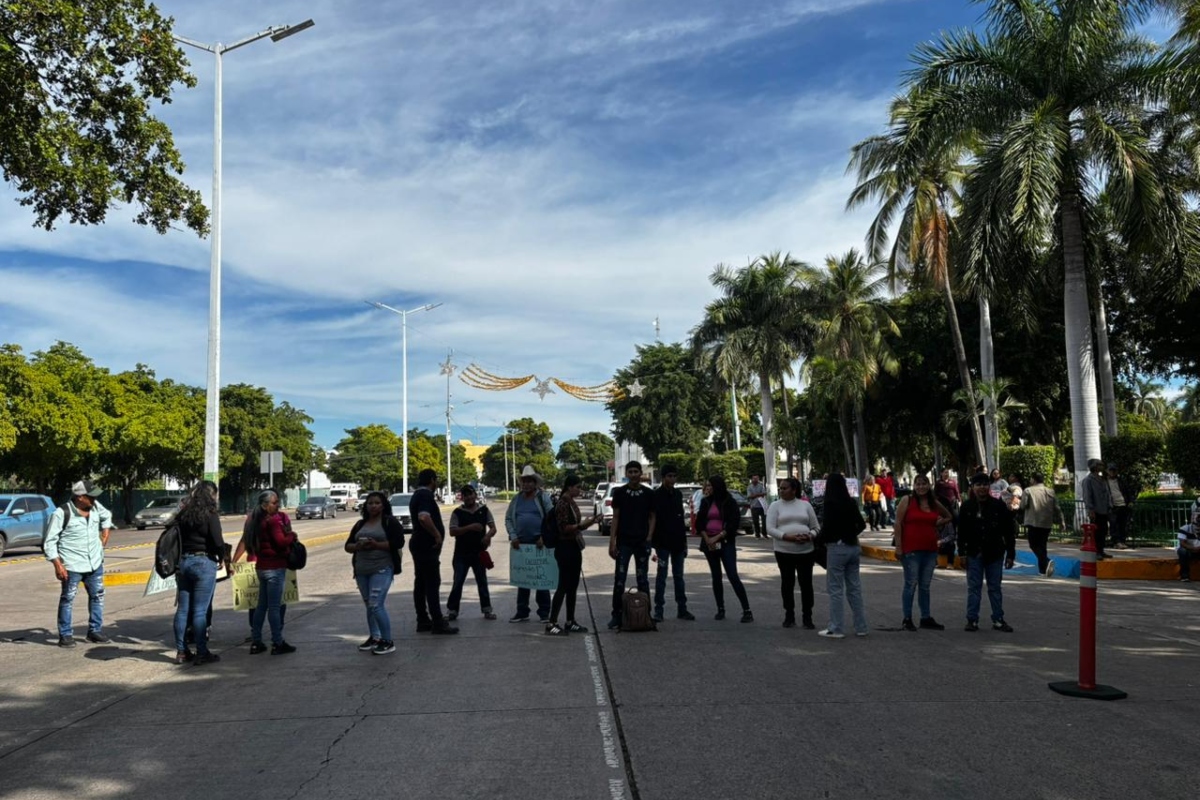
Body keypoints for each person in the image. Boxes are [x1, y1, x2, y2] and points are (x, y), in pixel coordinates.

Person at [44, 480, 114, 648]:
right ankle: (66, 634)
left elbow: (107, 516)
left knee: (97, 596)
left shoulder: (95, 507)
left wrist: (105, 531)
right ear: (80, 497)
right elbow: (49, 541)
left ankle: (94, 631)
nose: (94, 499)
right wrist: (57, 564)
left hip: (95, 563)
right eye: (91, 497)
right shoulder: (62, 513)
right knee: (68, 598)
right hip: (72, 565)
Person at [172, 481, 229, 665]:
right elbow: (218, 541)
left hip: (183, 562)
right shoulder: (210, 515)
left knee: (182, 610)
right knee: (199, 611)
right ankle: (202, 652)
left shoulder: (183, 514)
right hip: (203, 562)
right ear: (212, 495)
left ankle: (181, 652)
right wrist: (221, 558)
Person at [344, 491, 406, 654]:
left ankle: (387, 640)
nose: (373, 506)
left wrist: (376, 545)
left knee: (376, 604)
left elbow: (398, 542)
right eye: (370, 503)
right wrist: (358, 546)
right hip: (362, 570)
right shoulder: (360, 524)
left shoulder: (389, 522)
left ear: (383, 505)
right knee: (369, 605)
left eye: (377, 503)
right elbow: (348, 546)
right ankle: (375, 637)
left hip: (382, 568)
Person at [958, 473, 1017, 632]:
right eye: (978, 484)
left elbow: (1008, 532)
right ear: (973, 487)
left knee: (995, 588)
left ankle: (998, 619)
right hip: (974, 553)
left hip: (995, 553)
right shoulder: (967, 506)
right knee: (974, 588)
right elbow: (961, 532)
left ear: (989, 486)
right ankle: (972, 620)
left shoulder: (998, 506)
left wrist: (1011, 554)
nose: (982, 487)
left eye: (985, 484)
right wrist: (961, 553)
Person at [893, 475, 952, 632]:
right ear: (914, 486)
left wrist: (937, 523)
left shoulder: (933, 503)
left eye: (924, 484)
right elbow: (898, 523)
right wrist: (898, 547)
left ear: (928, 485)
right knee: (911, 584)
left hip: (930, 549)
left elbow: (948, 515)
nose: (921, 487)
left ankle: (925, 617)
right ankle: (907, 618)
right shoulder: (907, 500)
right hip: (911, 550)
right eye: (918, 484)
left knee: (925, 586)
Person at [244, 490, 297, 654]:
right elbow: (281, 542)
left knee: (261, 606)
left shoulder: (254, 521)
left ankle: (256, 641)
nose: (277, 505)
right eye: (274, 503)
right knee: (274, 607)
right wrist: (292, 536)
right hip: (275, 567)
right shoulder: (273, 521)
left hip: (261, 567)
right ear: (265, 505)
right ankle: (277, 642)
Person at [816, 473, 869, 638]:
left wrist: (818, 540)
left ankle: (836, 628)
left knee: (835, 589)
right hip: (853, 546)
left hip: (836, 548)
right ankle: (861, 627)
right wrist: (850, 534)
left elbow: (826, 528)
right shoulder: (851, 502)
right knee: (854, 588)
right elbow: (861, 524)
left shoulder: (830, 504)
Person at [696, 474, 752, 622]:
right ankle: (720, 609)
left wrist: (718, 537)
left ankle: (747, 610)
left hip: (725, 542)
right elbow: (699, 522)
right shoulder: (705, 502)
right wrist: (708, 539)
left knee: (732, 575)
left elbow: (733, 523)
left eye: (710, 486)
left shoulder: (729, 502)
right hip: (710, 543)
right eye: (706, 486)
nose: (707, 488)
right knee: (716, 576)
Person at [607, 461, 656, 629]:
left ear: (641, 473)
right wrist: (612, 541)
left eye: (636, 471)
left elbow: (652, 517)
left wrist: (649, 537)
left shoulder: (648, 494)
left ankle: (646, 614)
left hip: (642, 542)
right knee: (619, 580)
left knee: (643, 580)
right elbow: (616, 517)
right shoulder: (620, 493)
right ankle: (617, 614)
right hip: (624, 543)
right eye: (631, 472)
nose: (634, 474)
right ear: (627, 473)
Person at [766, 477, 820, 629]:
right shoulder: (775, 506)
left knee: (806, 584)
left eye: (785, 488)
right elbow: (770, 529)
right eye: (780, 488)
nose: (781, 491)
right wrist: (787, 537)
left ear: (794, 490)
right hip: (784, 551)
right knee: (787, 583)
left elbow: (816, 527)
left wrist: (810, 536)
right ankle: (789, 614)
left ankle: (807, 616)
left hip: (806, 551)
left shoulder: (805, 505)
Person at [546, 475, 596, 636]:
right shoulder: (562, 503)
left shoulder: (571, 502)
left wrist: (586, 524)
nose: (579, 490)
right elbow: (563, 528)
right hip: (565, 547)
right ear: (569, 487)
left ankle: (570, 620)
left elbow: (575, 527)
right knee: (563, 585)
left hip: (573, 546)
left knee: (572, 586)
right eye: (577, 487)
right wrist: (582, 525)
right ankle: (551, 623)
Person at [410, 469, 457, 634]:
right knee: (431, 583)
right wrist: (437, 534)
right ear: (432, 480)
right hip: (426, 545)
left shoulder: (417, 495)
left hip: (419, 544)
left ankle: (422, 619)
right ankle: (437, 622)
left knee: (421, 583)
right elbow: (424, 517)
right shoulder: (425, 495)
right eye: (435, 480)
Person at [505, 465, 554, 623]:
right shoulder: (516, 499)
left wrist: (544, 536)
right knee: (523, 580)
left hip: (539, 544)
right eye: (523, 482)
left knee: (541, 579)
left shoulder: (543, 497)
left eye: (529, 482)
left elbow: (551, 518)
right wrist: (513, 536)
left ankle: (544, 612)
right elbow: (508, 519)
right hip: (521, 545)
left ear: (535, 483)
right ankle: (522, 611)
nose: (525, 485)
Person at [447, 485, 497, 621]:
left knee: (482, 581)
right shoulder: (457, 513)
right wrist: (470, 527)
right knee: (458, 582)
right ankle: (452, 610)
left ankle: (487, 609)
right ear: (462, 498)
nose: (469, 497)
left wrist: (487, 536)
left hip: (479, 553)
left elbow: (493, 528)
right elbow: (452, 531)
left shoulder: (484, 510)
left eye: (471, 494)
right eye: (466, 495)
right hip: (461, 554)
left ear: (475, 495)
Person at [651, 466, 693, 622]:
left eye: (674, 476)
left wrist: (685, 543)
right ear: (663, 477)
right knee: (661, 576)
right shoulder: (656, 495)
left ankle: (682, 609)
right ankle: (658, 610)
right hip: (662, 543)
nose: (672, 479)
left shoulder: (677, 494)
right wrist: (652, 542)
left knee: (679, 577)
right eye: (669, 476)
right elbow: (653, 519)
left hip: (678, 542)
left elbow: (680, 519)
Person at [1020, 473, 1061, 576]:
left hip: (1033, 522)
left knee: (1033, 544)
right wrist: (1062, 521)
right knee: (1042, 545)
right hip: (1047, 522)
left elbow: (1023, 505)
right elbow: (1057, 508)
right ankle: (1042, 570)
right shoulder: (1050, 491)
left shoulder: (1028, 490)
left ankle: (1046, 561)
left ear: (1033, 480)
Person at [1080, 458, 1112, 559]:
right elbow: (1087, 496)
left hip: (1104, 509)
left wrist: (1109, 505)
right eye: (1099, 465)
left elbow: (1107, 494)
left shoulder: (1103, 479)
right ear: (1094, 467)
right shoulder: (1088, 480)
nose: (1102, 467)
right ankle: (1096, 551)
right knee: (1096, 532)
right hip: (1095, 510)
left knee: (1103, 531)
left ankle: (1101, 550)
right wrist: (1090, 509)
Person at [1106, 463, 1135, 549]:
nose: (1112, 472)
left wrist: (1130, 501)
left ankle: (1122, 541)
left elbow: (1128, 491)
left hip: (1123, 505)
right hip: (1113, 506)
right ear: (1108, 471)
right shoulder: (1105, 481)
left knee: (1123, 524)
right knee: (1113, 525)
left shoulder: (1121, 480)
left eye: (1114, 470)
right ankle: (1116, 542)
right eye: (1111, 470)